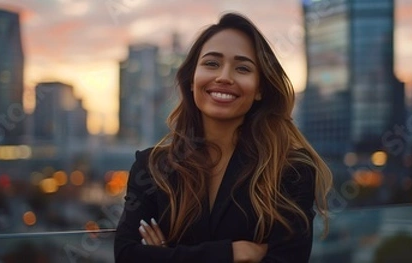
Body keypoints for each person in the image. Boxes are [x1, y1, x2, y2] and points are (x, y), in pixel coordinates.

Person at [114, 12, 332, 263]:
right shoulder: (151, 167)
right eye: (212, 64)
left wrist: (166, 255)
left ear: (260, 88)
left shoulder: (291, 170)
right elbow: (127, 256)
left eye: (242, 68)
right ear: (192, 79)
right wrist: (232, 253)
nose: (224, 77)